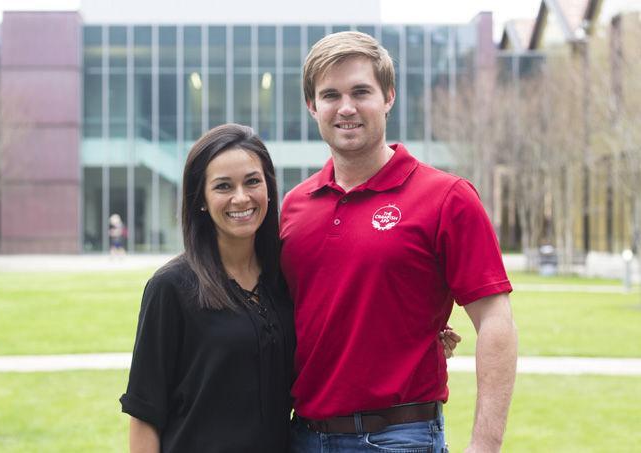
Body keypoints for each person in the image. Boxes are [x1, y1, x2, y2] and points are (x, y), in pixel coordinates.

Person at [280, 31, 518, 452]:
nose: (346, 107)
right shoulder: (295, 206)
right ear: (311, 105)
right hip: (301, 436)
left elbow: (496, 323)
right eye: (331, 94)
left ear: (388, 96)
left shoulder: (447, 198)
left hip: (399, 438)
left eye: (361, 91)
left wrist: (485, 446)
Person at [120, 124, 295, 452]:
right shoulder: (170, 288)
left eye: (252, 181)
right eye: (223, 186)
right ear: (201, 199)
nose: (241, 197)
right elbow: (144, 415)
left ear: (269, 189)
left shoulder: (283, 279)